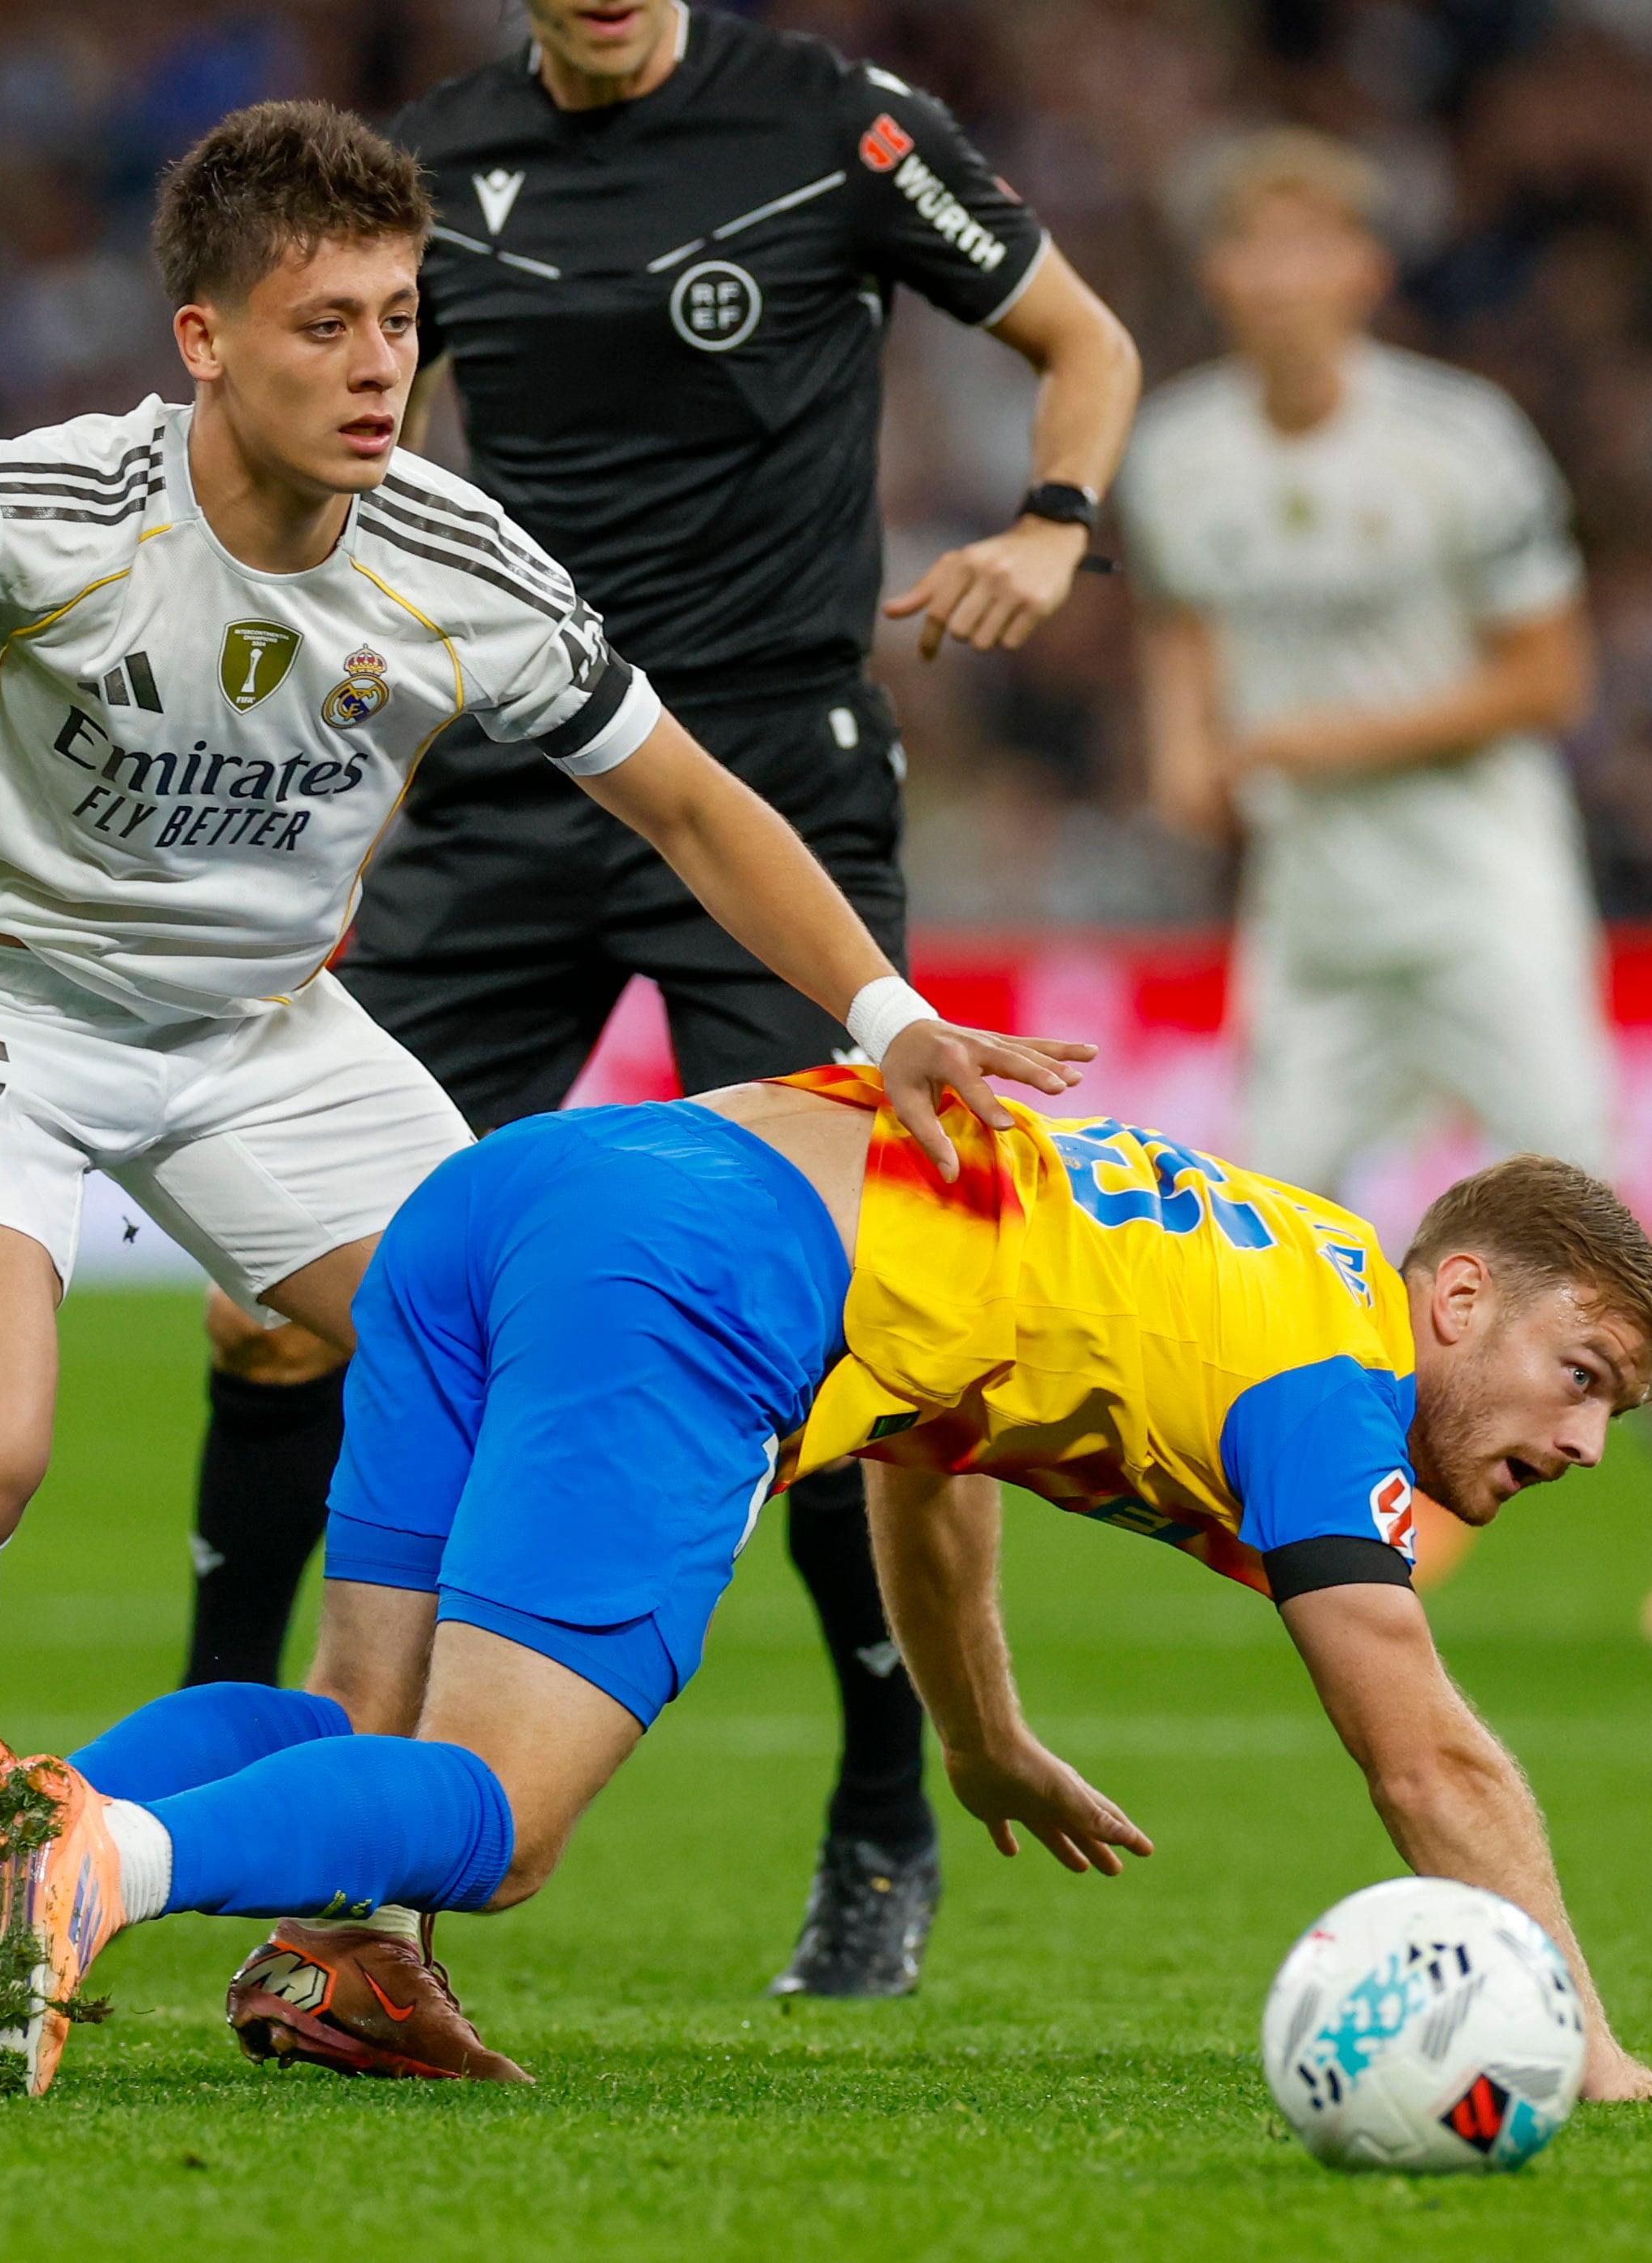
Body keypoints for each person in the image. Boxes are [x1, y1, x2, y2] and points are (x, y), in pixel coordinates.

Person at [0, 101, 1082, 2078]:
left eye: (399, 316)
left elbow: (686, 801)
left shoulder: (456, 559)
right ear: (205, 341)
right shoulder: (56, 503)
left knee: (513, 1372)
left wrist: (887, 1009)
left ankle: (347, 1936)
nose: (380, 363)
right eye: (324, 325)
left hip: (256, 1036)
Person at [0, 1062, 1652, 2111]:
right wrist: (1578, 2043)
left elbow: (938, 1449)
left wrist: (977, 1732)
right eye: (1579, 1374)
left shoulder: (1266, 1267)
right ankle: (108, 1858)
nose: (1581, 1440)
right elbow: (1422, 1751)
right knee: (498, 1817)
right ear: (1459, 1294)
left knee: (353, 1723)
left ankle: (20, 1848)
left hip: (525, 1191)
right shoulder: (1332, 1377)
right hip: (701, 1262)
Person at [176, 0, 1144, 2000]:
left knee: (840, 1323)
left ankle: (881, 1806)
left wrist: (1052, 526)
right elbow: (335, 463)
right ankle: (232, 1763)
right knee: (274, 1308)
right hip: (510, 775)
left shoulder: (837, 130)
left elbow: (1086, 341)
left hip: (766, 786)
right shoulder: (428, 168)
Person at [1115, 129, 1652, 1645]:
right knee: (1276, 1230)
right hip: (1314, 896)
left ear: (1364, 271)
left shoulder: (1457, 439)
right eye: (1253, 244)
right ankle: (1381, 1501)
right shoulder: (1179, 452)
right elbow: (1179, 624)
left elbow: (1551, 677)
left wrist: (1320, 736)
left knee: (1595, 1226)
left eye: (1312, 242)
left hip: (1478, 880)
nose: (1281, 276)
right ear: (1218, 273)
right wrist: (1181, 748)